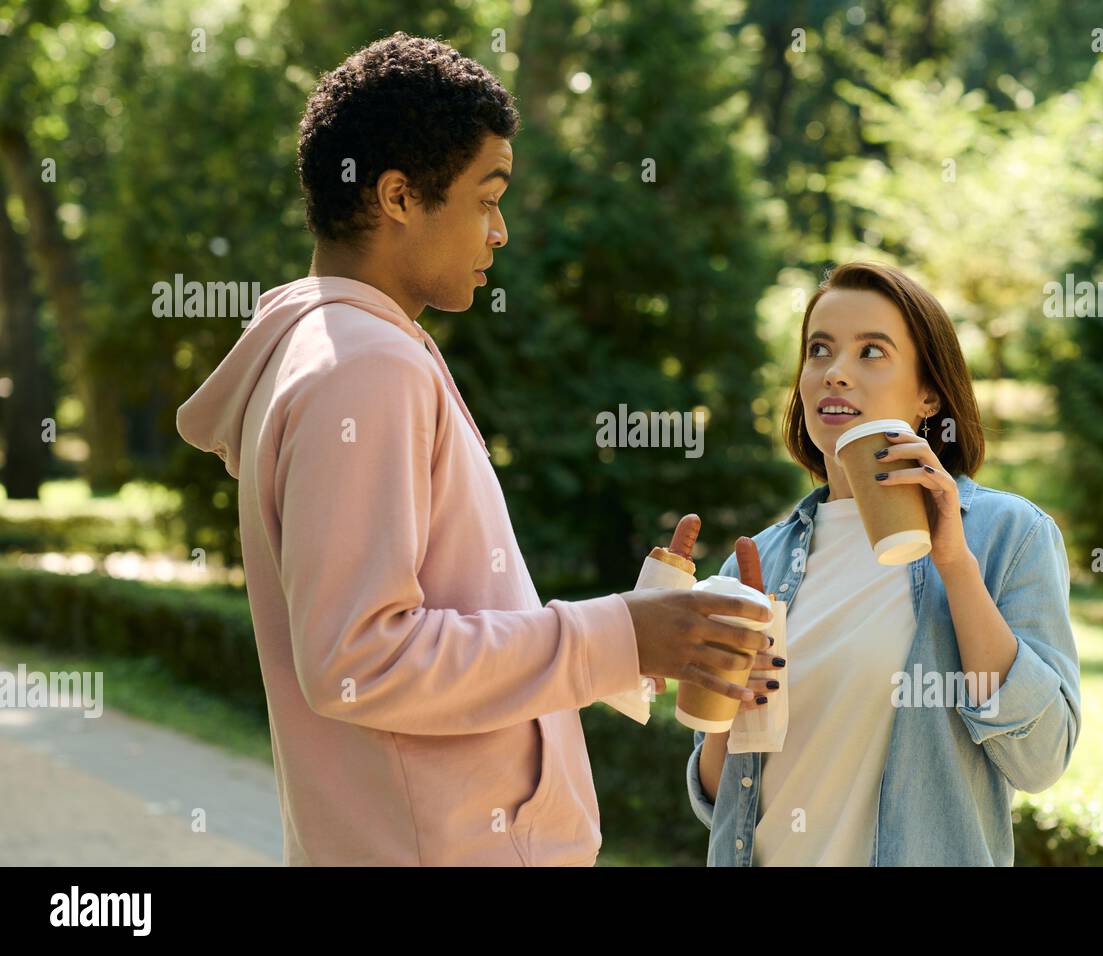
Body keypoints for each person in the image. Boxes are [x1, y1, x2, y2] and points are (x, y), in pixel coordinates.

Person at [176, 32, 769, 866]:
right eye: (487, 198)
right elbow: (361, 658)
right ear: (398, 196)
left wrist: (641, 638)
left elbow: (424, 621)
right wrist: (619, 636)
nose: (499, 233)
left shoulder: (343, 348)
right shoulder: (365, 366)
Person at [686, 261, 1082, 865]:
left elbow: (1041, 758)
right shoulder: (755, 563)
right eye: (820, 350)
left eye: (872, 351)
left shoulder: (1009, 536)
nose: (835, 373)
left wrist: (956, 565)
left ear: (928, 393)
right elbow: (720, 802)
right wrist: (722, 703)